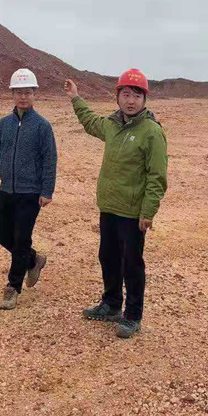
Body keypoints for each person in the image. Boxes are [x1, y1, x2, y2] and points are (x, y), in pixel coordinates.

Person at [64, 69, 168, 339]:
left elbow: (157, 176)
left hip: (132, 212)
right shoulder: (111, 125)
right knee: (108, 257)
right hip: (109, 206)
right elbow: (89, 121)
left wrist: (148, 212)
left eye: (136, 96)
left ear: (144, 99)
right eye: (126, 95)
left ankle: (133, 315)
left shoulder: (151, 132)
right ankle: (111, 304)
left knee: (132, 264)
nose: (130, 101)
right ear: (118, 97)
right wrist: (76, 97)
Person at [0, 68, 57, 310]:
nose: (23, 97)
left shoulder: (42, 126)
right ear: (12, 94)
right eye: (19, 92)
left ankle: (12, 288)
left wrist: (47, 191)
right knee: (4, 237)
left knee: (21, 239)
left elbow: (49, 160)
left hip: (30, 193)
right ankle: (34, 260)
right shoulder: (4, 124)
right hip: (6, 191)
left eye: (28, 92)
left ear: (34, 94)